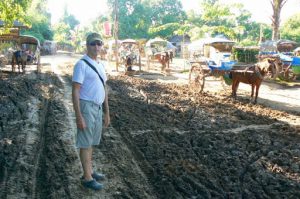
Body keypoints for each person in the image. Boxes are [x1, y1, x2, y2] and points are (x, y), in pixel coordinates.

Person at [72, 32, 110, 191]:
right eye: (93, 43)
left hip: (98, 107)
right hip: (86, 107)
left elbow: (104, 89)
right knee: (85, 143)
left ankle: (89, 172)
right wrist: (78, 116)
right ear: (87, 45)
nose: (96, 46)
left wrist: (107, 112)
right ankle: (87, 178)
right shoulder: (81, 64)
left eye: (99, 43)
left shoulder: (100, 65)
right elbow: (75, 91)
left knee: (91, 142)